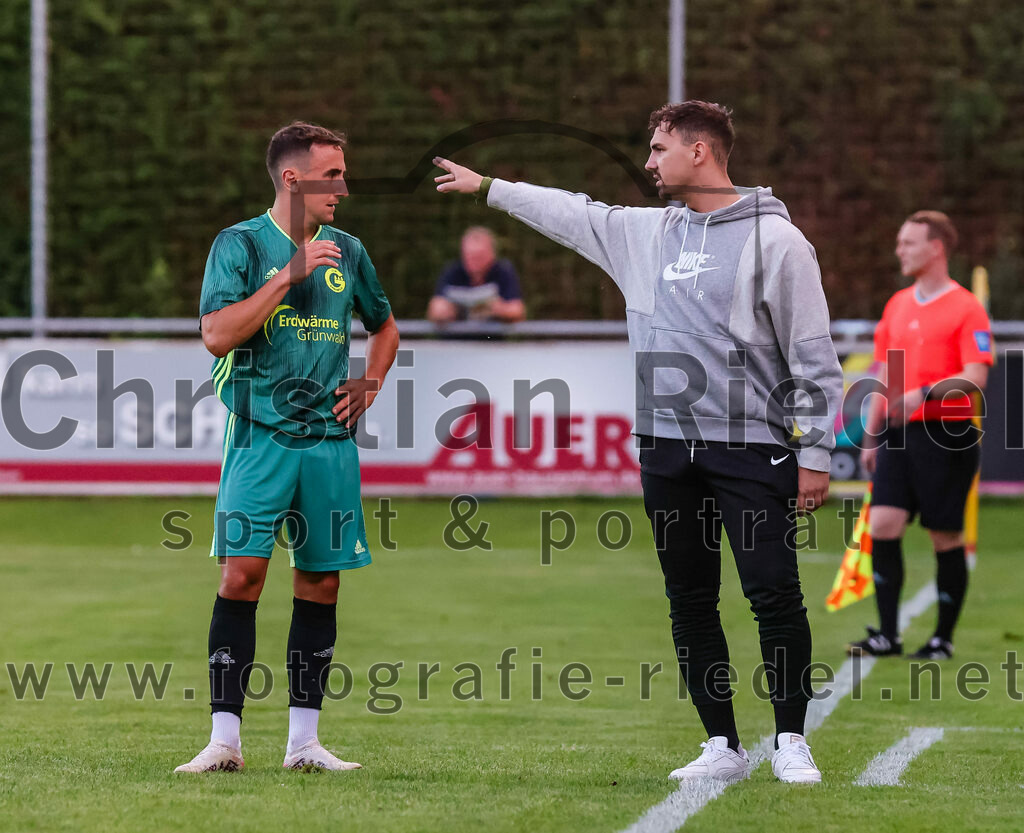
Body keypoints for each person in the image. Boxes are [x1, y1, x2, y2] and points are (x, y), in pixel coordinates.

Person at [434, 100, 843, 784]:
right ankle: (721, 742)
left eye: (658, 149)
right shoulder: (644, 234)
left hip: (754, 448)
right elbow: (572, 211)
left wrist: (816, 453)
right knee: (689, 598)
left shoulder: (779, 242)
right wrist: (489, 188)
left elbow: (813, 355)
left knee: (773, 594)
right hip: (665, 448)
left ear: (700, 152)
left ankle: (792, 739)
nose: (649, 162)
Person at [175, 122, 399, 773]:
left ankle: (305, 743)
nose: (344, 188)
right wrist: (286, 277)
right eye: (333, 175)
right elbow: (217, 334)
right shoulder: (240, 244)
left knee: (321, 583)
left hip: (328, 444)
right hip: (258, 439)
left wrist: (372, 380)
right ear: (293, 178)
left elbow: (384, 325)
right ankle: (224, 740)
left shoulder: (350, 251)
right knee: (241, 576)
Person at [848, 211, 991, 660]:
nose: (899, 250)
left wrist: (925, 393)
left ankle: (941, 640)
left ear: (936, 249)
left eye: (908, 243)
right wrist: (871, 436)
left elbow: (976, 376)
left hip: (948, 435)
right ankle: (887, 635)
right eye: (899, 242)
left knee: (944, 537)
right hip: (897, 434)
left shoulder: (967, 307)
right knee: (883, 525)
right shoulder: (897, 305)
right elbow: (886, 375)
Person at [427, 226, 526, 322]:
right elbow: (434, 310)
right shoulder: (453, 271)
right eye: (469, 256)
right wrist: (444, 311)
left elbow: (518, 311)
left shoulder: (503, 271)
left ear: (492, 254)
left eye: (479, 256)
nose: (473, 261)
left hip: (490, 337)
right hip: (456, 337)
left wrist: (499, 309)